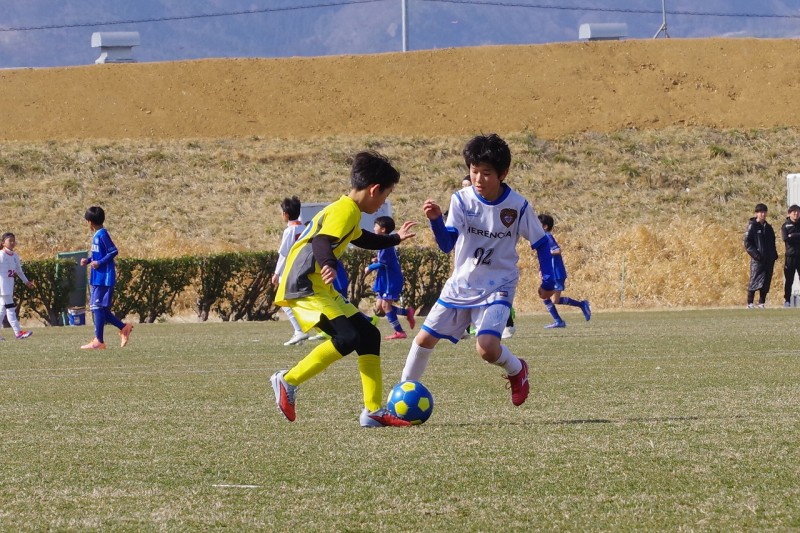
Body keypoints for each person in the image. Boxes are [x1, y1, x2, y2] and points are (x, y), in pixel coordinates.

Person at [400, 133, 555, 407]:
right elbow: (447, 244)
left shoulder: (517, 206)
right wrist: (436, 221)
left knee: (486, 349)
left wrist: (549, 280)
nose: (478, 179)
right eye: (474, 171)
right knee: (423, 340)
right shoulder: (461, 200)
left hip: (499, 285)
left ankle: (517, 369)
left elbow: (541, 243)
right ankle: (401, 398)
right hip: (462, 284)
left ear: (503, 174)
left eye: (486, 173)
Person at [270, 151, 417, 428]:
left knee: (369, 335)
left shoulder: (347, 211)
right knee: (348, 338)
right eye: (385, 196)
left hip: (318, 286)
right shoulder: (345, 210)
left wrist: (395, 238)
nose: (382, 204)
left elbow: (363, 239)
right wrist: (328, 263)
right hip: (304, 284)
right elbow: (321, 241)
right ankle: (287, 380)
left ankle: (373, 411)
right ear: (374, 189)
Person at [80, 206, 134, 349]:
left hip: (104, 277)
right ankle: (123, 328)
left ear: (90, 222)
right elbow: (98, 254)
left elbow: (113, 251)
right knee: (98, 308)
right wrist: (89, 260)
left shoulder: (102, 234)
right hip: (98, 276)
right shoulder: (97, 235)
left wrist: (100, 262)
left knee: (97, 307)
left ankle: (99, 340)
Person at [365, 215, 415, 340]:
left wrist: (370, 267)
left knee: (385, 306)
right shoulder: (385, 242)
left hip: (390, 279)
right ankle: (407, 312)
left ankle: (400, 332)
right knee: (379, 306)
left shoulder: (385, 243)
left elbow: (384, 263)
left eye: (375, 226)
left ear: (383, 229)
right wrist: (377, 260)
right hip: (385, 279)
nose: (373, 228)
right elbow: (385, 260)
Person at [537, 214, 591, 328]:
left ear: (545, 226)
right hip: (550, 274)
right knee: (545, 296)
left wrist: (547, 253)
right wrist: (541, 269)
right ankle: (559, 321)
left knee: (553, 300)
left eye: (538, 224)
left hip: (556, 273)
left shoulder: (547, 236)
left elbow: (557, 250)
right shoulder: (542, 238)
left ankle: (581, 305)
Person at [271, 196, 309, 346]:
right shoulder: (305, 228)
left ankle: (299, 331)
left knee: (283, 300)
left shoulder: (289, 230)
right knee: (295, 302)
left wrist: (276, 273)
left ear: (286, 214)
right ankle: (299, 332)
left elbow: (284, 254)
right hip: (302, 268)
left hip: (289, 270)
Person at [0, 232, 34, 340]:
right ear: (3, 243)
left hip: (9, 286)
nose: (12, 242)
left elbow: (19, 271)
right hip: (2, 287)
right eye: (9, 240)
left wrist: (26, 282)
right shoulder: (1, 255)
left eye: (13, 240)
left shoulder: (15, 256)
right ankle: (18, 333)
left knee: (2, 311)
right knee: (10, 309)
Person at [744, 203, 778, 309]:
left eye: (764, 212)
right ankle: (750, 303)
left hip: (768, 259)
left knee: (766, 281)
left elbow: (772, 242)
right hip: (757, 259)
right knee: (754, 279)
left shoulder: (768, 227)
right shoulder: (752, 226)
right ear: (756, 213)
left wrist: (774, 254)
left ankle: (762, 302)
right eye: (760, 212)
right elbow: (747, 243)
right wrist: (756, 255)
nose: (763, 214)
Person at [780, 204, 800, 307]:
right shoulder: (786, 225)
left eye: (798, 212)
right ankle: (787, 300)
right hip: (790, 256)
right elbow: (785, 238)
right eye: (794, 212)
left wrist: (792, 235)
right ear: (789, 213)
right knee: (789, 279)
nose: (796, 213)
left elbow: (790, 237)